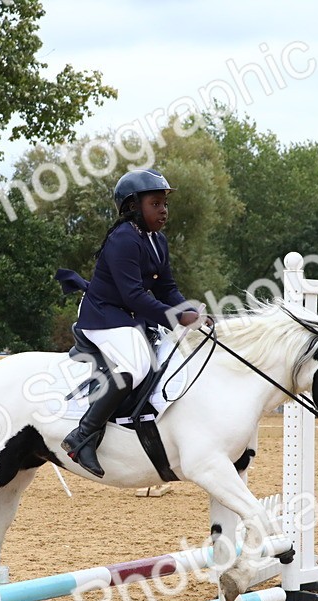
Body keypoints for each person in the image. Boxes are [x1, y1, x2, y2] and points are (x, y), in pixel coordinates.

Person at [58, 167, 208, 478]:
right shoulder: (123, 239)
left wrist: (189, 310)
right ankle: (82, 436)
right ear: (131, 207)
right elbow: (135, 295)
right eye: (155, 203)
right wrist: (177, 317)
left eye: (165, 204)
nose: (163, 210)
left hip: (128, 316)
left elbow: (166, 288)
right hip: (103, 315)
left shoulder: (158, 240)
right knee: (134, 366)